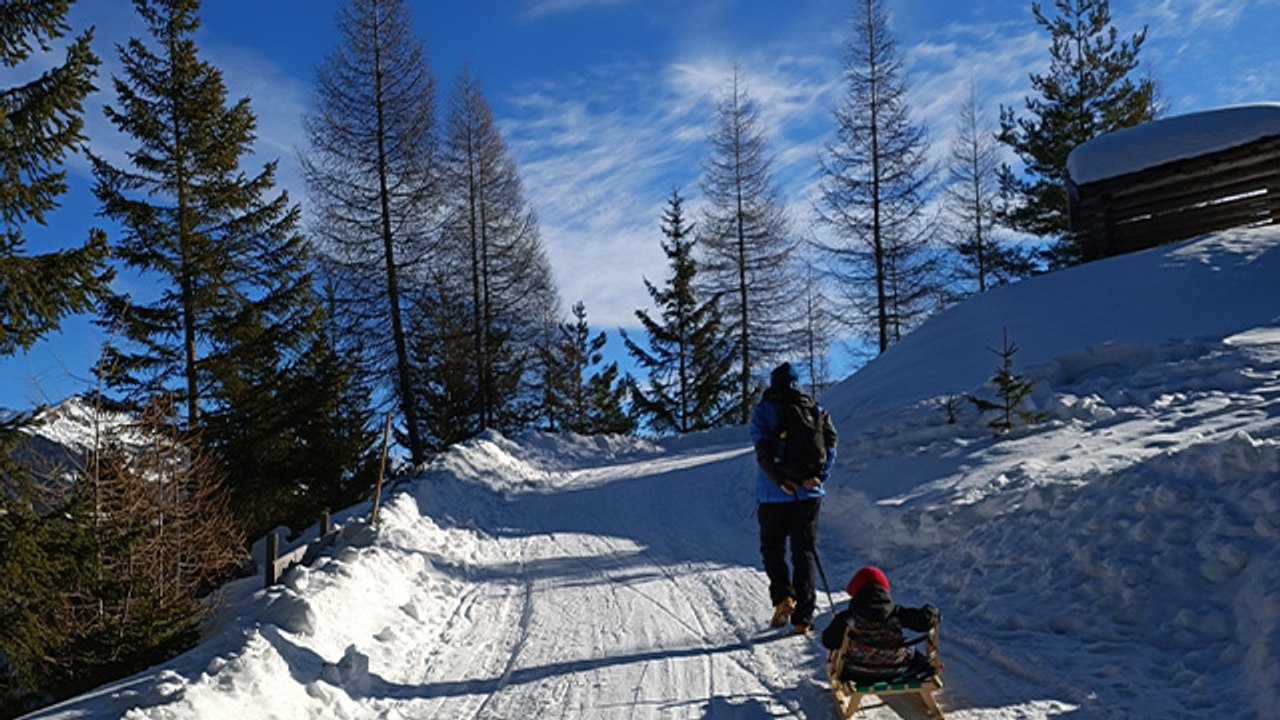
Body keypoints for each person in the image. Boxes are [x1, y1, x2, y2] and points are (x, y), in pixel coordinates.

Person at [750, 362, 837, 634]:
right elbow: (832, 444)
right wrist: (820, 477)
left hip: (774, 494)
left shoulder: (765, 410)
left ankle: (784, 597)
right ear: (797, 383)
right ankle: (803, 617)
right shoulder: (815, 409)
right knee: (804, 553)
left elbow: (762, 451)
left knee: (772, 549)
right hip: (809, 495)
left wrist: (781, 481)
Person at [821, 566, 941, 682]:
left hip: (857, 672)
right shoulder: (895, 613)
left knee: (843, 654)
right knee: (910, 650)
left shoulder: (847, 618)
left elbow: (828, 641)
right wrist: (931, 612)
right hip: (896, 669)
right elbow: (924, 622)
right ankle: (926, 670)